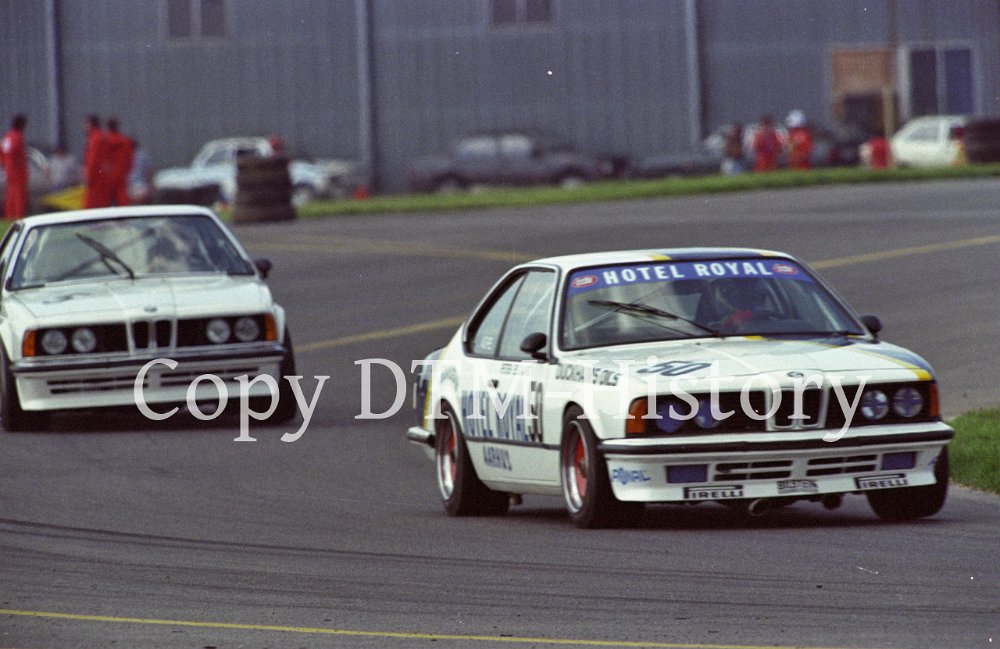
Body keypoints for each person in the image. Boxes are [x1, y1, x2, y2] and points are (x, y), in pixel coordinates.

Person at [1, 114, 29, 219]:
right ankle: (18, 215)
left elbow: (2, 151)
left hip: (10, 170)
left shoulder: (8, 136)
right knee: (19, 194)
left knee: (11, 194)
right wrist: (16, 162)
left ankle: (10, 214)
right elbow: (11, 151)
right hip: (17, 171)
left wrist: (5, 163)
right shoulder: (17, 136)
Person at [103, 118, 134, 206]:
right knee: (122, 200)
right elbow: (130, 159)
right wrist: (125, 171)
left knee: (105, 202)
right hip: (121, 174)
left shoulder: (104, 141)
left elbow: (102, 159)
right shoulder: (125, 141)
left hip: (108, 175)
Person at [83, 114, 108, 208]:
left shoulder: (95, 138)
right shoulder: (100, 136)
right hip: (101, 176)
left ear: (90, 124)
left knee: (92, 205)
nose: (84, 127)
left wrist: (89, 176)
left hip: (95, 178)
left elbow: (92, 159)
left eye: (86, 124)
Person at [128, 140, 153, 204]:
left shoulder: (126, 154)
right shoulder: (143, 154)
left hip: (133, 184)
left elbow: (149, 171)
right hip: (139, 185)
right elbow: (149, 171)